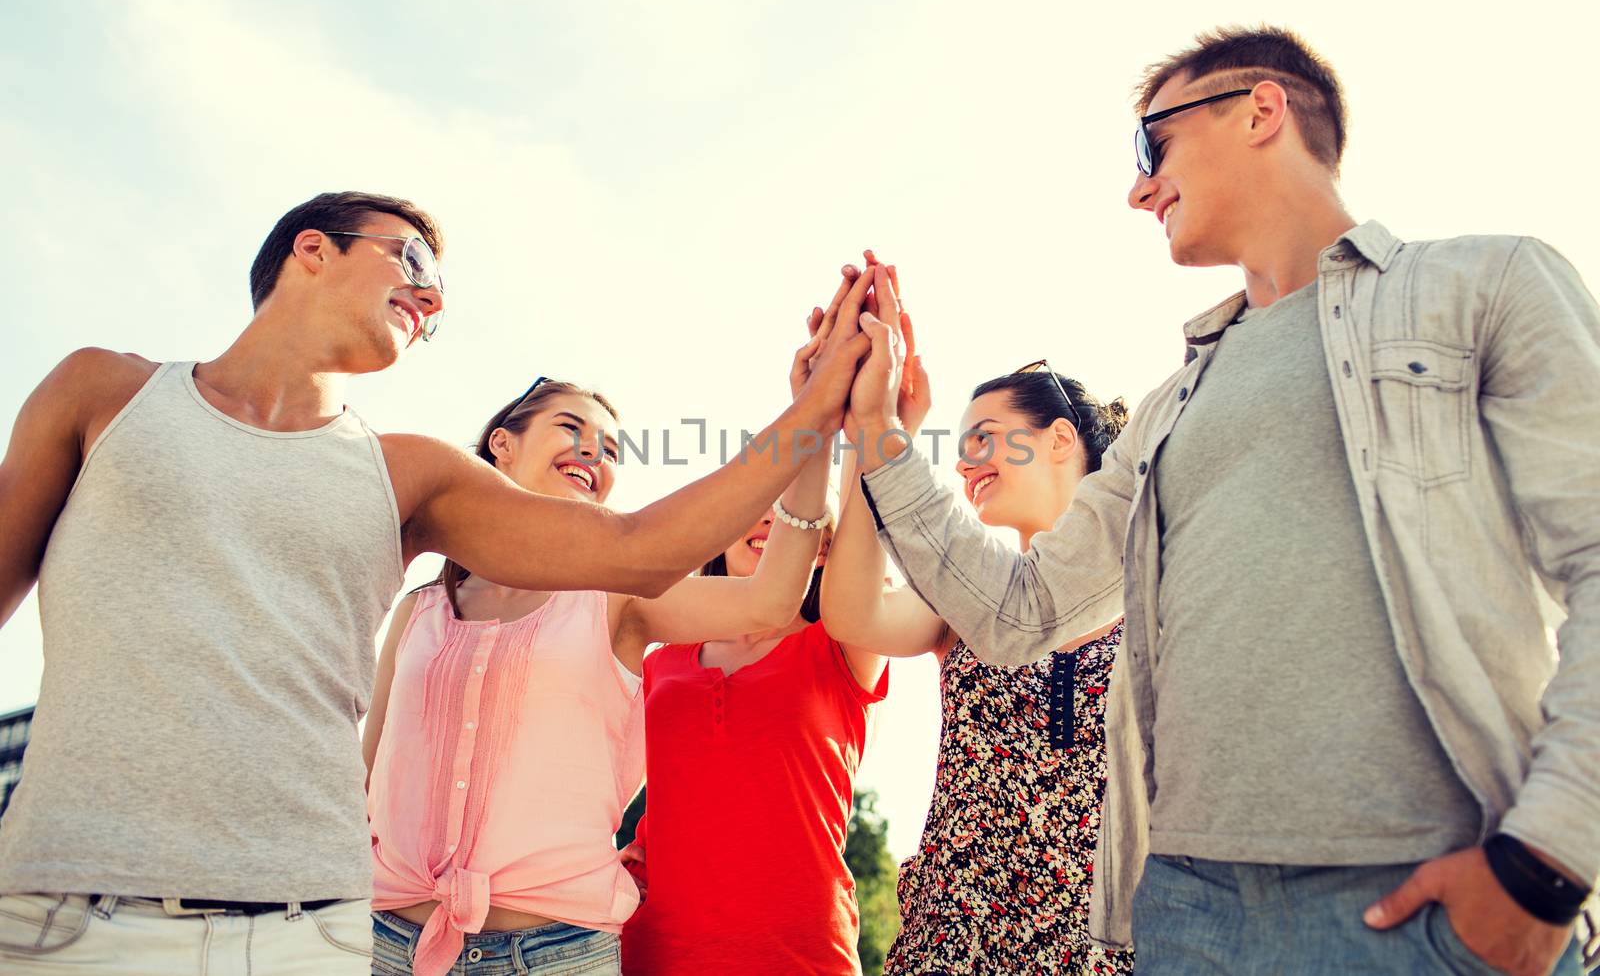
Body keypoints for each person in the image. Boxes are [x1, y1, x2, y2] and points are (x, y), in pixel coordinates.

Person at [847, 29, 1599, 975]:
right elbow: (1018, 609)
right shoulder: (1168, 409)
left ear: (1260, 109)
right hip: (1187, 916)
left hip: (1427, 906)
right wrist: (876, 431)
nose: (1137, 187)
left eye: (1150, 145)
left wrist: (1547, 865)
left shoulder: (1484, 288)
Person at [0, 191, 875, 974]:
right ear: (313, 249)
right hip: (65, 908)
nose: (429, 296)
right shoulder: (102, 393)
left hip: (307, 929)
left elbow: (643, 543)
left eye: (441, 294)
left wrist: (817, 413)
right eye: (409, 258)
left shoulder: (408, 474)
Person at [364, 329, 837, 976]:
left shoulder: (617, 599)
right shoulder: (418, 611)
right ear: (502, 443)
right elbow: (360, 787)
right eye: (570, 427)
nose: (594, 451)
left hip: (555, 953)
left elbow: (772, 598)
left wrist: (813, 422)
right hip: (389, 944)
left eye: (610, 447)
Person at [821, 352, 1132, 975]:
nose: (963, 465)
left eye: (983, 438)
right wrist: (869, 439)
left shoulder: (1157, 596)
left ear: (1061, 438)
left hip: (1107, 948)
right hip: (957, 940)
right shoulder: (963, 599)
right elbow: (853, 616)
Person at [618, 461, 888, 974]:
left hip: (798, 943)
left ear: (826, 547)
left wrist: (862, 419)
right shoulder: (659, 659)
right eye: (760, 507)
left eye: (793, 513)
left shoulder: (845, 644)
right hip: (659, 941)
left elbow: (865, 523)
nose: (772, 520)